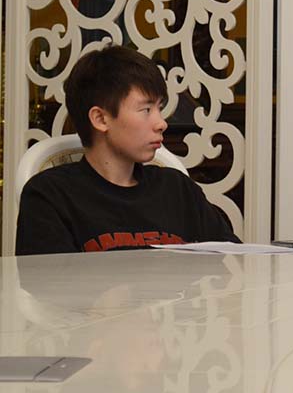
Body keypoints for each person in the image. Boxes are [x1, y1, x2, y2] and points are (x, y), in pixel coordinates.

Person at [16, 45, 239, 255]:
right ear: (100, 119)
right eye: (146, 109)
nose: (161, 123)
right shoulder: (49, 195)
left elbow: (235, 262)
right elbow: (48, 281)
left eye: (159, 108)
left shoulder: (177, 188)